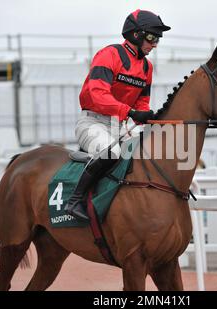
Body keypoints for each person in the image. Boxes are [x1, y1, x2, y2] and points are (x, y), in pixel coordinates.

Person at [65, 9, 171, 220]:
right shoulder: (109, 55)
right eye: (151, 37)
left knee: (149, 154)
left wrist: (146, 116)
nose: (155, 44)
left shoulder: (147, 67)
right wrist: (130, 112)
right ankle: (74, 200)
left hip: (121, 125)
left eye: (158, 38)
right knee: (112, 152)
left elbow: (142, 101)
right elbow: (97, 94)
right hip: (92, 122)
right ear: (136, 34)